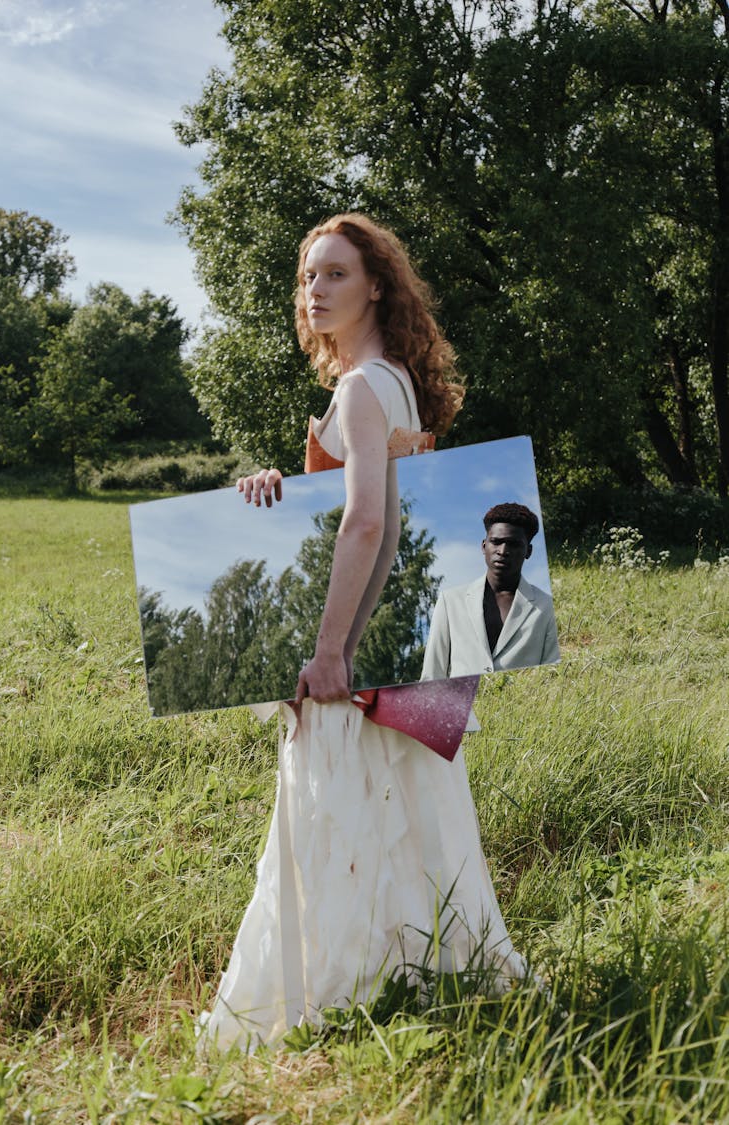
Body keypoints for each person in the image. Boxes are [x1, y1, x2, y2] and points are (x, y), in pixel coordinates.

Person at [199, 214, 532, 1053]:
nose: (315, 291)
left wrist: (328, 652)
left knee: (338, 829)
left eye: (336, 275)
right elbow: (353, 511)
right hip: (412, 659)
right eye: (309, 276)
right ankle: (422, 984)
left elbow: (365, 523)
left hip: (361, 657)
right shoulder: (392, 386)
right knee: (413, 827)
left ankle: (337, 999)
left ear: (377, 284)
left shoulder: (359, 387)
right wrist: (279, 486)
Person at [421, 502, 560, 680]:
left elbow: (552, 678)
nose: (503, 551)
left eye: (514, 544)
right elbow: (432, 675)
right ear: (484, 546)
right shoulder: (451, 601)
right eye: (496, 542)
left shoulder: (546, 607)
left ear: (529, 551)